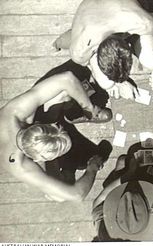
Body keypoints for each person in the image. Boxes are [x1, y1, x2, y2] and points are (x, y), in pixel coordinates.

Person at [0, 71, 109, 202]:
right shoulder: (20, 167)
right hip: (26, 149)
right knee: (58, 196)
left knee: (62, 94)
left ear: (37, 125)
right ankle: (69, 166)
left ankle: (75, 114)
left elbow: (67, 78)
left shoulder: (15, 112)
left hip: (26, 130)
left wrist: (89, 108)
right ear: (38, 159)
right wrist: (92, 167)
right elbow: (77, 195)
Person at [54, 0, 153, 98]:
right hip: (92, 17)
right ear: (95, 53)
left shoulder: (141, 22)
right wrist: (120, 83)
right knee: (106, 83)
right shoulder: (80, 51)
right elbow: (88, 63)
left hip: (128, 10)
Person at [91, 140, 153, 241]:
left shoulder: (105, 233)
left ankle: (122, 173)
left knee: (122, 160)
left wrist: (127, 175)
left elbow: (99, 201)